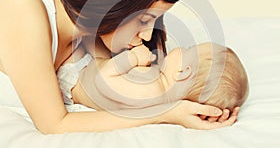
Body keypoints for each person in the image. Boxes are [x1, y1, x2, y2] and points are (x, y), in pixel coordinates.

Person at [0, 0, 239, 134]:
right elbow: (54, 124)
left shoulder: (101, 42)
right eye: (145, 19)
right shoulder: (21, 9)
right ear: (116, 0)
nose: (147, 35)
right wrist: (166, 114)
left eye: (154, 21)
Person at [57, 42, 248, 117]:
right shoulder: (159, 94)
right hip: (86, 68)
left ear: (183, 72)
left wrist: (132, 58)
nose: (181, 48)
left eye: (188, 49)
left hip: (73, 76)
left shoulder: (150, 90)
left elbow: (102, 81)